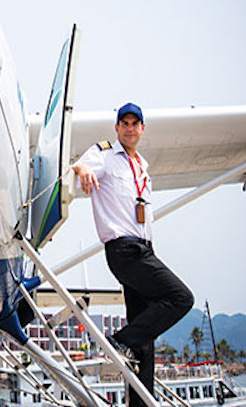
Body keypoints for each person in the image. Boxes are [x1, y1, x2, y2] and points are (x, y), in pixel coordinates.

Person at [72, 102, 194, 406]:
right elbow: (78, 166)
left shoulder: (141, 165)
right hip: (125, 251)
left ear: (142, 128)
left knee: (145, 344)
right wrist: (82, 170)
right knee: (181, 298)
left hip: (144, 248)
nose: (129, 128)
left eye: (134, 123)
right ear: (117, 128)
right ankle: (119, 340)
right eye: (124, 123)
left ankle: (141, 401)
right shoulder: (105, 155)